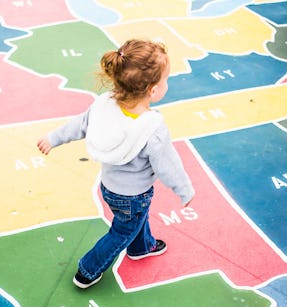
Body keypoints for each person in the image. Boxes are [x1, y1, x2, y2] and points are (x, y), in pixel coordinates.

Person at [36, 39, 195, 289]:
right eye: (166, 79)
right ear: (153, 90)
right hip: (134, 194)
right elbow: (168, 166)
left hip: (109, 187)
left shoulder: (104, 105)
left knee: (132, 220)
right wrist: (184, 190)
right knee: (122, 231)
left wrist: (53, 138)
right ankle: (88, 269)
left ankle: (142, 247)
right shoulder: (152, 128)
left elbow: (79, 124)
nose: (167, 83)